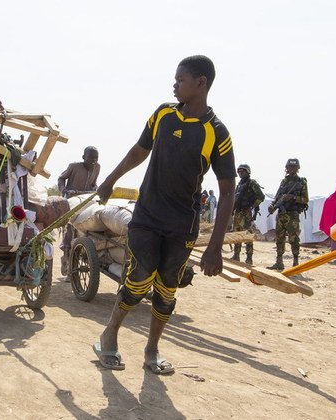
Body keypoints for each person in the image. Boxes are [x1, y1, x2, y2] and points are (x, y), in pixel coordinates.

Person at [93, 55, 235, 374]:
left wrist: (215, 247)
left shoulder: (217, 132)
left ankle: (152, 350)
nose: (174, 84)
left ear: (201, 83)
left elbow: (227, 191)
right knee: (140, 277)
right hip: (147, 216)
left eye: (180, 79)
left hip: (182, 225)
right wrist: (109, 181)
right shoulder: (163, 115)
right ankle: (109, 335)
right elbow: (138, 152)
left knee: (168, 288)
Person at [58, 146, 101, 275]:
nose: (93, 161)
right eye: (90, 158)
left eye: (96, 158)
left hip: (87, 201)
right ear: (83, 157)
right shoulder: (74, 167)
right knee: (70, 230)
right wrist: (63, 190)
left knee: (85, 230)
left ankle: (78, 257)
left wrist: (96, 189)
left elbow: (94, 183)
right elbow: (61, 178)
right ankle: (66, 257)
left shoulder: (97, 167)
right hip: (72, 202)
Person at [267, 159, 308, 270]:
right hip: (281, 214)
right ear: (287, 168)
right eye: (290, 167)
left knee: (293, 239)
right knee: (279, 238)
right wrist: (272, 205)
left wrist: (293, 197)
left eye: (294, 167)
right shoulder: (283, 182)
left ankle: (295, 263)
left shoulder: (301, 182)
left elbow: (305, 199)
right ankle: (279, 262)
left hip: (293, 215)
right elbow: (277, 196)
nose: (292, 169)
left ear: (298, 168)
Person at [231, 164, 264, 264]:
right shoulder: (240, 184)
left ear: (248, 172)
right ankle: (236, 255)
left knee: (247, 234)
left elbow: (261, 197)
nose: (241, 173)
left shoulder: (251, 183)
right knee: (237, 234)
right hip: (238, 212)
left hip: (246, 212)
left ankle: (249, 257)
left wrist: (251, 206)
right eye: (239, 172)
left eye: (243, 171)